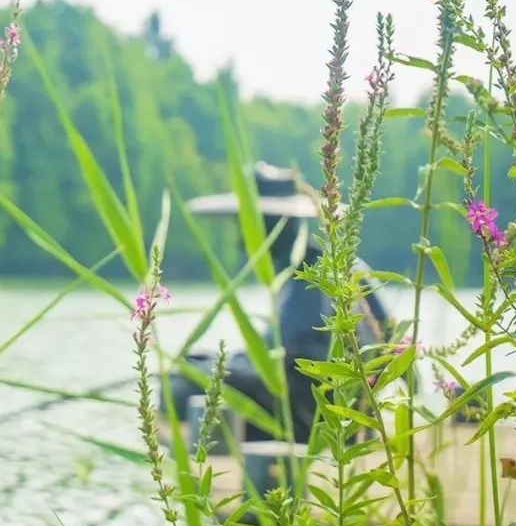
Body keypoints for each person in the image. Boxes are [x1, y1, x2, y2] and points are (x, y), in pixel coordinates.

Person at [167, 162, 392, 445]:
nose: (241, 241)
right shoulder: (347, 264)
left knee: (181, 386)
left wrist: (211, 368)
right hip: (351, 412)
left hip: (314, 420)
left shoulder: (309, 278)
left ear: (271, 228)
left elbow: (285, 364)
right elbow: (390, 335)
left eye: (247, 227)